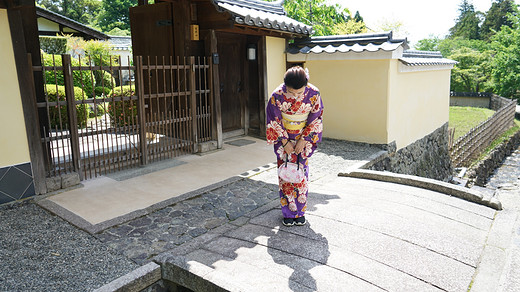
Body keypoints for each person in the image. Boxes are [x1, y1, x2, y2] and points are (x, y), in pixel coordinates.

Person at [265, 66, 324, 226]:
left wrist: (304, 140)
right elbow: (273, 120)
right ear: (285, 86)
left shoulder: (314, 93)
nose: (296, 96)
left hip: (303, 140)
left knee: (301, 176)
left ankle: (300, 212)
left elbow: (316, 118)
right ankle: (288, 213)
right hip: (284, 139)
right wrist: (284, 142)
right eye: (292, 92)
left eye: (299, 93)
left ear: (306, 84)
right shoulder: (277, 95)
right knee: (285, 175)